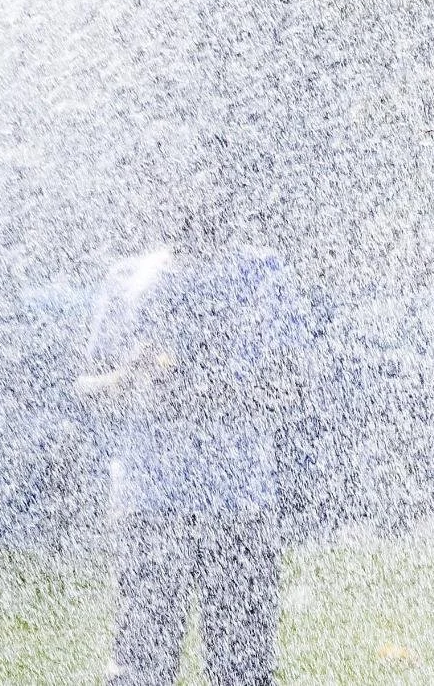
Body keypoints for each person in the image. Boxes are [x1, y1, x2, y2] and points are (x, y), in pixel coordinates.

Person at [78, 204, 311, 685]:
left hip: (238, 505)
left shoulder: (263, 274)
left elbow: (292, 387)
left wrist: (198, 388)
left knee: (242, 667)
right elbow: (87, 389)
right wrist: (128, 377)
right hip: (149, 505)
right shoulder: (127, 280)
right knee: (141, 665)